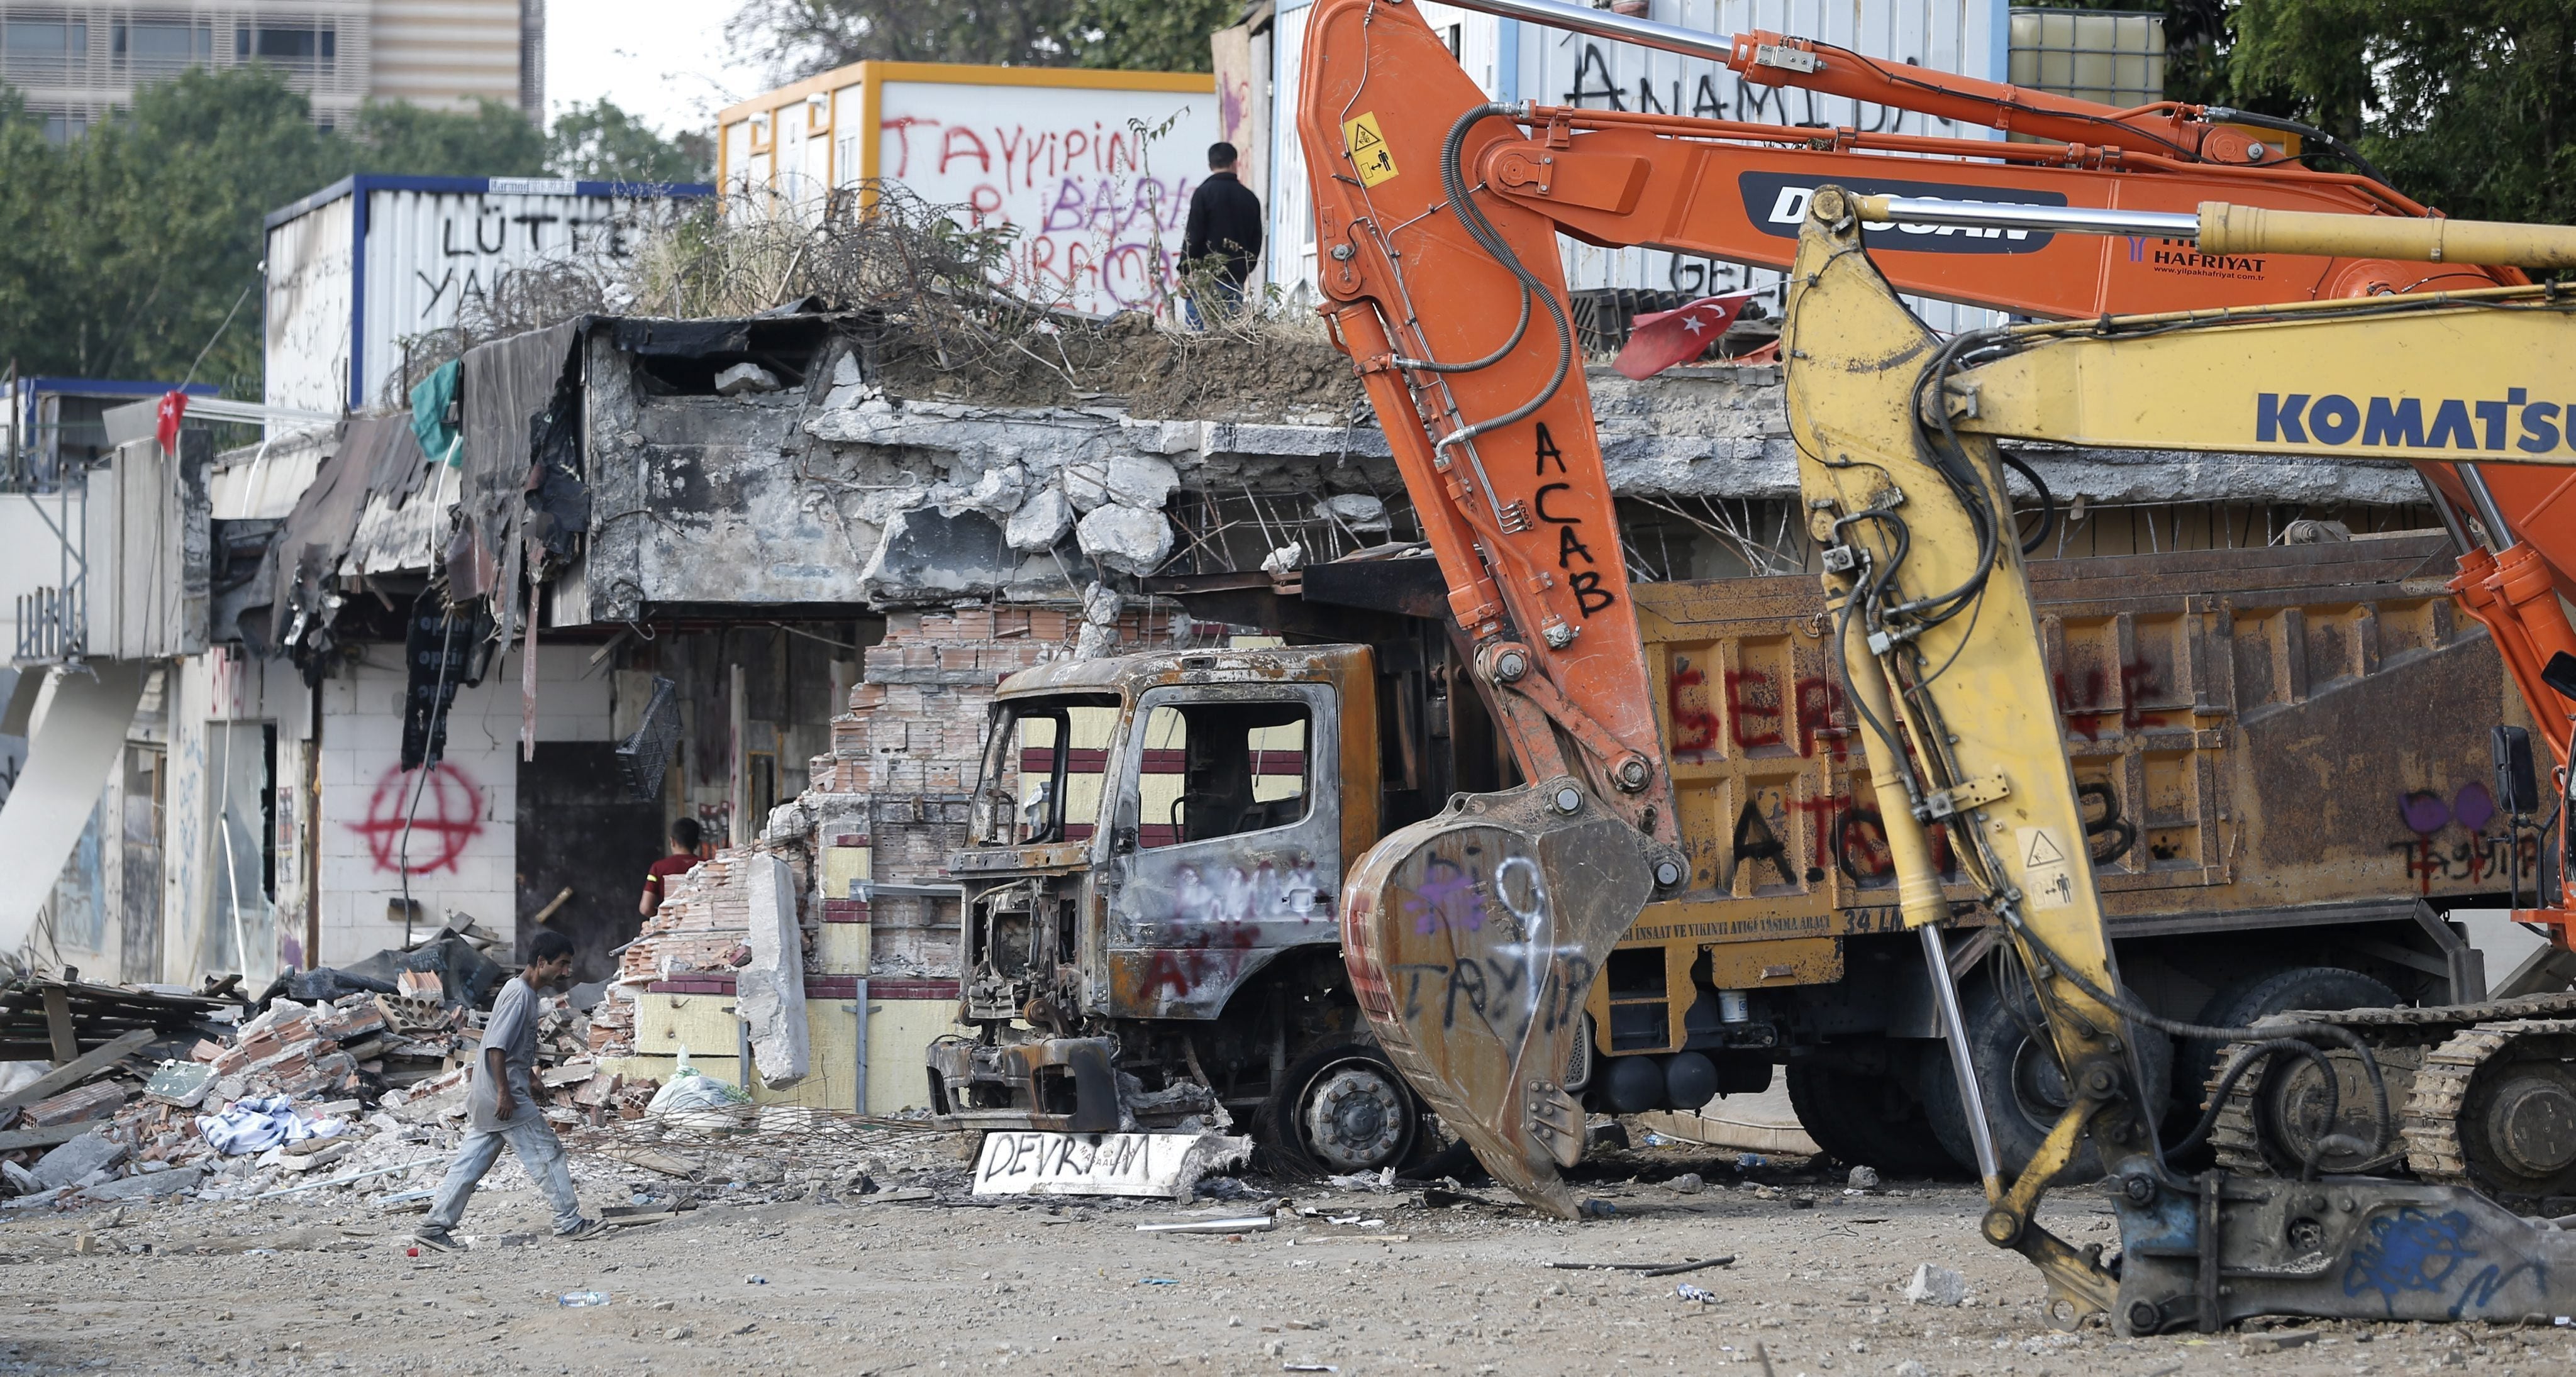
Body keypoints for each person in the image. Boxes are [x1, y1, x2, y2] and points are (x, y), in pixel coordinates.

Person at [412, 929, 607, 1249]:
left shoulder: (524, 993)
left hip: (491, 1094)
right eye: (562, 964)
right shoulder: (519, 995)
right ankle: (569, 1222)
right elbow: (496, 1049)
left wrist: (531, 1078)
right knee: (548, 1153)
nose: (566, 972)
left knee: (470, 1164)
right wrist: (506, 1092)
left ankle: (433, 1228)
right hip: (504, 1098)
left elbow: (512, 1047)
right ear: (541, 962)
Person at [1181, 141, 1263, 326]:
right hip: (1234, 278)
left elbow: (1192, 236)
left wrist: (1185, 270)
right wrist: (1245, 268)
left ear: (1210, 165)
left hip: (1203, 279)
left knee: (1197, 337)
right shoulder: (1250, 198)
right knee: (1228, 337)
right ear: (1235, 162)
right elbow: (1256, 240)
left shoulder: (1203, 194)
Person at [640, 816, 705, 919]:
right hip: (701, 924)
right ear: (697, 843)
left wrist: (666, 916)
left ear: (672, 841)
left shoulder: (658, 868)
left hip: (671, 929)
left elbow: (646, 908)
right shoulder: (708, 866)